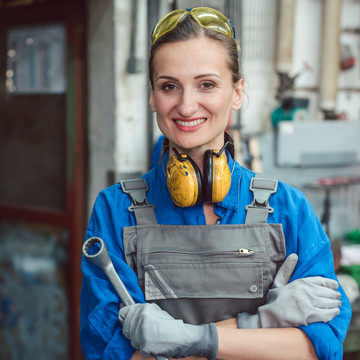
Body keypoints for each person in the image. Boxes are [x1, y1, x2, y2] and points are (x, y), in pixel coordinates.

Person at [80, 7, 351, 360]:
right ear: (152, 96)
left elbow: (318, 349)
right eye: (169, 87)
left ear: (237, 93)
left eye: (207, 84)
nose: (187, 105)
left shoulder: (288, 209)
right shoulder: (116, 211)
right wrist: (262, 325)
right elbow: (113, 353)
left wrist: (181, 339)